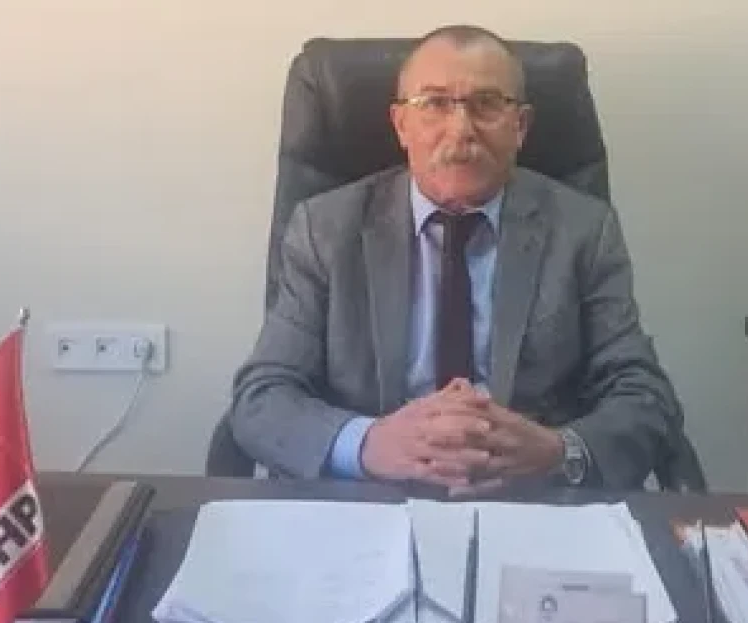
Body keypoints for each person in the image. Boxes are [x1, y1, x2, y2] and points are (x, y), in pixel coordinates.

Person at [228, 25, 682, 493]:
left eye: (487, 104)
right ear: (401, 125)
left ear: (520, 127)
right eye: (434, 103)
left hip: (528, 496)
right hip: (370, 493)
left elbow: (644, 395)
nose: (461, 130)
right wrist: (366, 444)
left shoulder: (583, 229)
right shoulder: (324, 229)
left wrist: (557, 450)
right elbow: (263, 396)